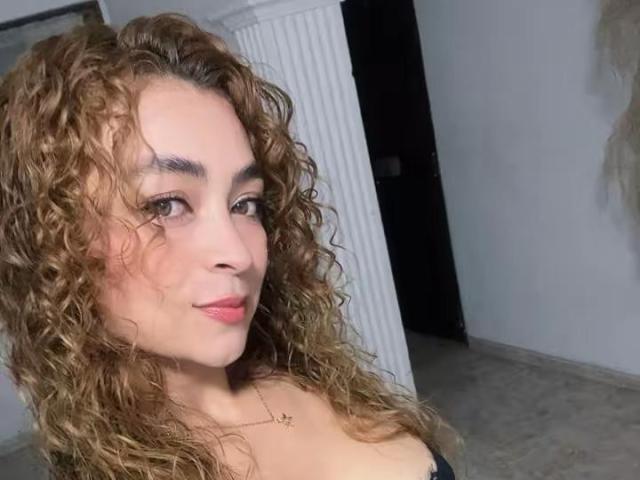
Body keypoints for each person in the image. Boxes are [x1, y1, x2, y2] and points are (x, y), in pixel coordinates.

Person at [0, 13, 456, 480]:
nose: (238, 255)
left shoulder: (310, 374)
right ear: (55, 241)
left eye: (245, 204)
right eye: (166, 204)